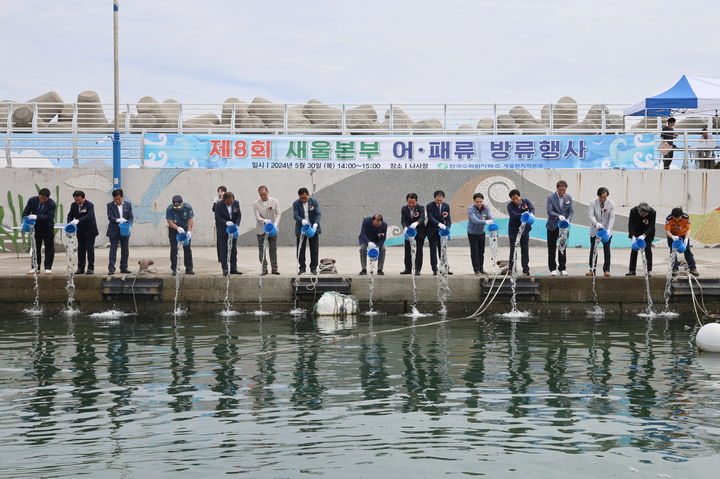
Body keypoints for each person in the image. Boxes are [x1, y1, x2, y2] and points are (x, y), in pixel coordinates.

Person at [22, 187, 56, 274]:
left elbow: (49, 217)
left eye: (44, 199)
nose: (42, 200)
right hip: (35, 228)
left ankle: (48, 267)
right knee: (35, 248)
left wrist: (36, 217)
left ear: (47, 198)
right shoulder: (32, 200)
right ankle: (35, 267)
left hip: (47, 228)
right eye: (40, 198)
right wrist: (26, 219)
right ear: (39, 195)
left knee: (49, 248)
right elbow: (25, 212)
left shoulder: (51, 204)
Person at [546, 180, 574, 276]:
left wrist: (568, 219)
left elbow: (571, 211)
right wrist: (558, 216)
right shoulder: (551, 197)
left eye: (564, 190)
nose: (562, 192)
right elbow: (549, 211)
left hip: (563, 227)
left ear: (566, 189)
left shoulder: (569, 197)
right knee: (552, 247)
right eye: (560, 190)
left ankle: (562, 268)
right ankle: (552, 268)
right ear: (557, 189)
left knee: (562, 247)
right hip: (552, 226)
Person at [66, 190, 98, 275]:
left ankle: (91, 268)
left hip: (90, 230)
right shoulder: (73, 205)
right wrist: (69, 222)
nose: (77, 202)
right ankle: (81, 268)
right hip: (80, 231)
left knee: (89, 249)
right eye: (75, 200)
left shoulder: (89, 205)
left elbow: (89, 216)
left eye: (79, 200)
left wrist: (78, 220)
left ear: (83, 198)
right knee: (81, 249)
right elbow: (70, 215)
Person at [587, 187, 615, 277]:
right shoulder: (592, 203)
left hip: (606, 230)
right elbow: (591, 215)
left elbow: (612, 217)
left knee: (607, 249)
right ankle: (592, 269)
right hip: (595, 229)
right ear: (598, 196)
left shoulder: (611, 204)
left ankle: (606, 269)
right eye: (601, 197)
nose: (603, 199)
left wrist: (609, 228)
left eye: (605, 197)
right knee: (594, 249)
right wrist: (596, 223)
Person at [293, 187, 322, 275]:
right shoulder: (296, 203)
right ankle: (302, 268)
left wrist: (316, 223)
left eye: (305, 198)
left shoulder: (314, 202)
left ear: (308, 195)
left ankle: (313, 268)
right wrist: (301, 220)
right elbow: (295, 215)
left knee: (314, 249)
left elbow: (318, 214)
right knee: (300, 249)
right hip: (302, 229)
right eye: (301, 198)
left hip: (312, 228)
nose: (303, 200)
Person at [253, 185, 281, 275]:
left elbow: (278, 214)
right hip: (261, 229)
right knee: (262, 250)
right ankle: (264, 269)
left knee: (273, 249)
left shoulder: (274, 201)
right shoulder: (256, 203)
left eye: (264, 194)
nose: (263, 197)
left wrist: (276, 223)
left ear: (267, 192)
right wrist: (264, 220)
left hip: (272, 228)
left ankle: (274, 268)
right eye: (261, 195)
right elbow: (257, 216)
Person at [506, 189, 534, 275]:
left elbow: (532, 208)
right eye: (513, 199)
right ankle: (511, 268)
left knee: (525, 249)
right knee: (513, 249)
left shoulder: (526, 202)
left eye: (516, 198)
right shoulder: (510, 206)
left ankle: (525, 269)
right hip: (514, 230)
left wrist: (531, 214)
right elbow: (513, 215)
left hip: (525, 230)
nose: (515, 200)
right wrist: (523, 214)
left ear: (520, 196)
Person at [665, 207, 699, 276]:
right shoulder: (669, 219)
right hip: (673, 235)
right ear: (672, 216)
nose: (677, 219)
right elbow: (667, 231)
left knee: (687, 251)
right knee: (673, 251)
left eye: (678, 218)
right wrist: (672, 237)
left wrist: (686, 239)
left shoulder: (686, 217)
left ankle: (693, 268)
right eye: (675, 218)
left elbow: (688, 230)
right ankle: (674, 268)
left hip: (683, 235)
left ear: (681, 215)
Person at [106, 188, 134, 275]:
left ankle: (124, 267)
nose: (117, 201)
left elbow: (131, 217)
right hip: (114, 230)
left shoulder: (128, 205)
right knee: (113, 249)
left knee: (125, 250)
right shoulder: (110, 205)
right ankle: (111, 268)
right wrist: (119, 220)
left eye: (119, 199)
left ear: (122, 197)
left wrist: (128, 224)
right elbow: (110, 217)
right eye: (115, 199)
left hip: (124, 230)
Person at [214, 191, 241, 275]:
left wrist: (236, 225)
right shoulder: (218, 205)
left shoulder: (236, 203)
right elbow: (217, 218)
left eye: (231, 201)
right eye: (228, 202)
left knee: (233, 249)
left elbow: (239, 215)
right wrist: (226, 222)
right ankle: (225, 269)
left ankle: (233, 268)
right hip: (223, 229)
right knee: (224, 250)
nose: (230, 203)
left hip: (233, 229)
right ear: (224, 200)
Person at [166, 195, 194, 275]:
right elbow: (170, 222)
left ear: (182, 203)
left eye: (179, 206)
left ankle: (189, 268)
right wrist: (178, 228)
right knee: (174, 249)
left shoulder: (188, 207)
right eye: (176, 206)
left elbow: (190, 220)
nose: (178, 208)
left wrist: (189, 231)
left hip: (185, 229)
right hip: (174, 230)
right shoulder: (169, 209)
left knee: (187, 248)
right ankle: (175, 268)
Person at [426, 190, 452, 276]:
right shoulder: (430, 206)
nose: (439, 202)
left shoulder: (446, 206)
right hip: (432, 231)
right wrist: (439, 224)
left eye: (441, 200)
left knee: (443, 251)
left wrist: (447, 227)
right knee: (433, 251)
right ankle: (434, 269)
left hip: (442, 233)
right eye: (438, 200)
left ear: (443, 198)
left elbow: (448, 219)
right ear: (435, 198)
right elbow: (431, 218)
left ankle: (445, 268)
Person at [626, 202, 656, 276]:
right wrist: (632, 236)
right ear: (639, 211)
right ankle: (632, 270)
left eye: (645, 215)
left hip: (648, 232)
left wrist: (644, 235)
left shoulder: (652, 212)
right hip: (636, 230)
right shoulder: (633, 211)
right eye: (642, 214)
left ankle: (649, 270)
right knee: (634, 250)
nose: (644, 216)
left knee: (648, 249)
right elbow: (631, 224)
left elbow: (651, 226)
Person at [467, 193, 492, 275]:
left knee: (481, 252)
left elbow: (490, 217)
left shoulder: (486, 207)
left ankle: (481, 268)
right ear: (474, 201)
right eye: (477, 202)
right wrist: (485, 222)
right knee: (475, 251)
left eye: (480, 202)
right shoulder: (471, 209)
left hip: (481, 232)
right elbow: (475, 220)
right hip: (472, 233)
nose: (479, 204)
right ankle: (476, 269)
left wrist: (490, 220)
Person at [400, 193, 426, 275]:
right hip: (409, 232)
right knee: (407, 250)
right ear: (407, 201)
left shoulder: (421, 208)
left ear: (416, 201)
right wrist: (405, 227)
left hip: (419, 231)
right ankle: (408, 269)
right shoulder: (404, 209)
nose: (411, 204)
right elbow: (403, 220)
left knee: (419, 250)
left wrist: (416, 223)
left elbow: (422, 218)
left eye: (413, 203)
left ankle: (417, 269)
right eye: (409, 202)